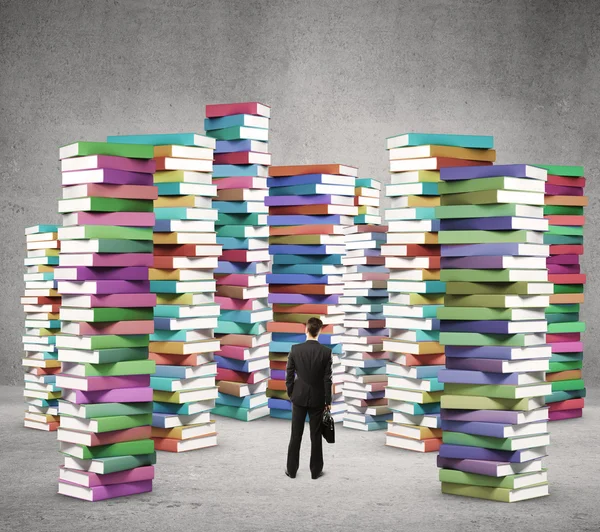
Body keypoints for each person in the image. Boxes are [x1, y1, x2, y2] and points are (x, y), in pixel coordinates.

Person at [285, 317, 333, 480]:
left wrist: (291, 393)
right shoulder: (326, 352)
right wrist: (328, 401)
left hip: (298, 396)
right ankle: (315, 471)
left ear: (306, 330)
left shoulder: (295, 349)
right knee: (316, 435)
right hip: (318, 398)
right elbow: (327, 379)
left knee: (295, 435)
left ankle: (291, 470)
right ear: (319, 331)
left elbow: (289, 375)